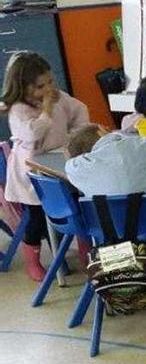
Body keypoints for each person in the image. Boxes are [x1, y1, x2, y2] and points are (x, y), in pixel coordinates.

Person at [2, 52, 89, 281]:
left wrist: (75, 135)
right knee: (36, 217)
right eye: (40, 86)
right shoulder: (19, 110)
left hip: (59, 164)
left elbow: (80, 110)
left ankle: (84, 250)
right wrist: (47, 110)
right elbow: (32, 134)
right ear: (23, 88)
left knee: (74, 206)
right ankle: (33, 260)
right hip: (30, 173)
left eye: (50, 82)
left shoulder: (59, 98)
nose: (48, 90)